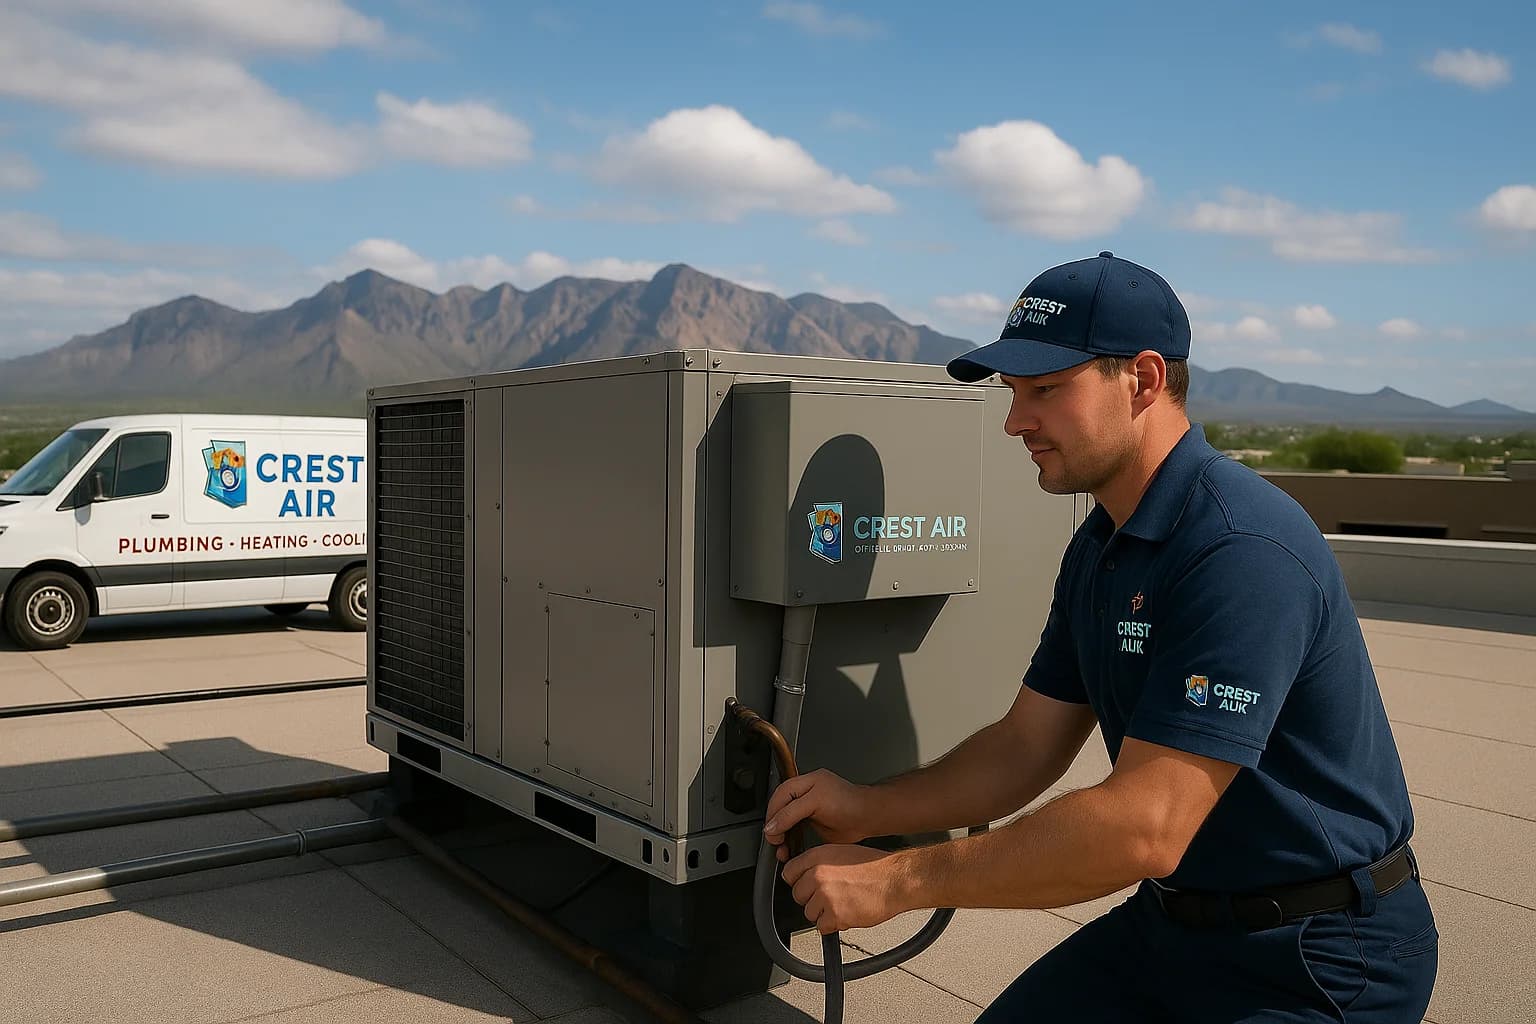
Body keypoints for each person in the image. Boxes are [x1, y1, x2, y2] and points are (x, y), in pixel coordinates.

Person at [763, 251, 1438, 1022]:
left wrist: (897, 880)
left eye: (1046, 390)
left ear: (1144, 381)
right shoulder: (1101, 548)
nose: (1017, 420)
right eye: (1015, 393)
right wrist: (869, 808)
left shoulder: (1241, 548)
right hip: (1173, 929)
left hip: (1317, 956)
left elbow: (1146, 826)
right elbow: (1024, 746)